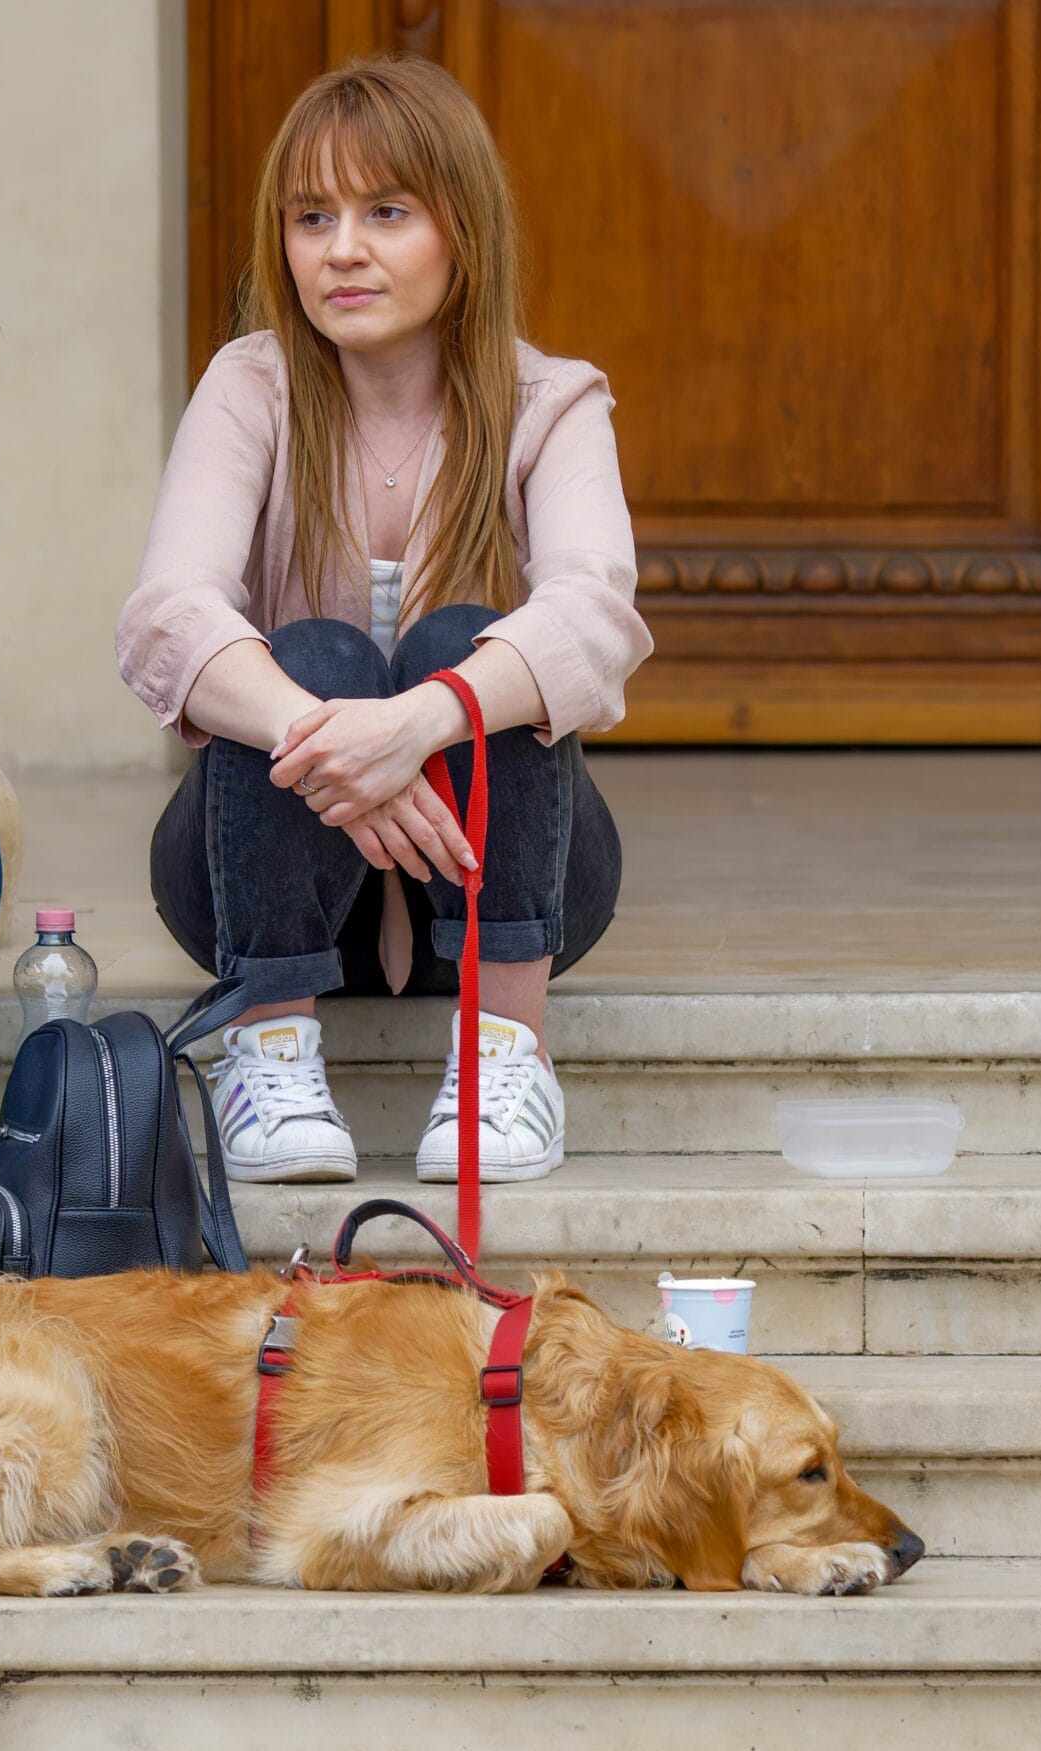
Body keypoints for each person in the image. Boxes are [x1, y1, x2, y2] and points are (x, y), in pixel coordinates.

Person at [118, 55, 650, 1189]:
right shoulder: (248, 385)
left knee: (474, 638)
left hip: (507, 883)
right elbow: (168, 615)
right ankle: (269, 1052)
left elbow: (596, 616)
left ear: (464, 231)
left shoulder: (552, 401)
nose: (341, 249)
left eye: (386, 212)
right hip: (272, 881)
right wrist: (343, 739)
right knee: (305, 654)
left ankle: (505, 1052)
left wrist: (421, 722)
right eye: (312, 217)